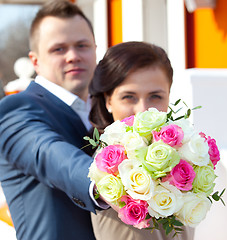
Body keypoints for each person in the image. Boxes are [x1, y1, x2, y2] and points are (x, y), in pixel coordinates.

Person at [0, 1, 100, 239]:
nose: (73, 56)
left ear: (95, 49)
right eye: (58, 49)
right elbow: (49, 153)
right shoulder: (16, 110)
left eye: (82, 45)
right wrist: (107, 184)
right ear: (35, 61)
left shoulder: (109, 108)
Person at [89, 41, 195, 240]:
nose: (142, 111)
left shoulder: (185, 153)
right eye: (129, 97)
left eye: (155, 96)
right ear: (108, 101)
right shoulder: (107, 166)